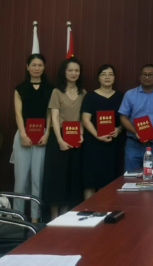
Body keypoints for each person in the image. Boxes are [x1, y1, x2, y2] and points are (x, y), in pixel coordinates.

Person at [42, 57, 86, 219]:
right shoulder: (56, 91)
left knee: (71, 177)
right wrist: (60, 140)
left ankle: (64, 215)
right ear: (64, 72)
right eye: (70, 70)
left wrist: (81, 134)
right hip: (58, 138)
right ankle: (54, 217)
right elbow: (54, 117)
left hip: (76, 138)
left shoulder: (83, 93)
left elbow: (82, 118)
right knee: (56, 177)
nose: (74, 73)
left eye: (77, 70)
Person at [12, 54, 53, 222]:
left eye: (40, 65)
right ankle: (18, 217)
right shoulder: (20, 88)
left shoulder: (50, 89)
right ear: (27, 67)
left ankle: (36, 218)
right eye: (34, 65)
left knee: (38, 177)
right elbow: (18, 113)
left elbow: (50, 113)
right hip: (23, 134)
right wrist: (23, 134)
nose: (37, 68)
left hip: (43, 135)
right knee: (21, 179)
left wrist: (47, 133)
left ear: (44, 67)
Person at [81, 65, 124, 199]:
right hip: (93, 144)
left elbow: (125, 119)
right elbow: (85, 119)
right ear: (98, 78)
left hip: (113, 145)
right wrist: (98, 136)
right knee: (90, 181)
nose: (107, 77)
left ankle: (105, 211)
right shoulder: (90, 96)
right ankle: (89, 210)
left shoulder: (121, 96)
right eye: (103, 74)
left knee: (109, 183)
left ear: (114, 77)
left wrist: (119, 129)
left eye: (110, 74)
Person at [119, 64, 153, 172]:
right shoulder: (130, 94)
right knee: (131, 177)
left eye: (150, 75)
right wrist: (136, 132)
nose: (147, 77)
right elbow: (123, 117)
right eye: (144, 75)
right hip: (133, 145)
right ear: (140, 77)